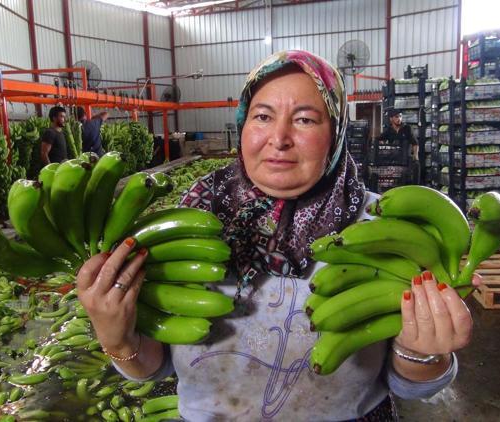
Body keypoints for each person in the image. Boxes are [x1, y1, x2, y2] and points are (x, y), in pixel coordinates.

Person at [77, 51, 479, 421]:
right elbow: (154, 365)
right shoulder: (186, 222)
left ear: (336, 132)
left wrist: (421, 350)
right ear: (243, 123)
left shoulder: (384, 229)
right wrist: (119, 338)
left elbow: (411, 385)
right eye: (263, 116)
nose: (279, 138)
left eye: (305, 119)